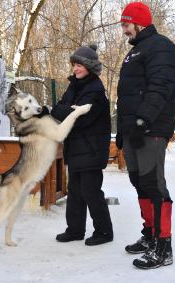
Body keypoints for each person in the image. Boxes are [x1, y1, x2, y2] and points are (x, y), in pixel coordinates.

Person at [116, 2, 175, 269]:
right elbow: (128, 96)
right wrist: (124, 130)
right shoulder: (136, 51)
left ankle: (163, 246)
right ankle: (150, 234)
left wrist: (144, 119)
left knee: (153, 184)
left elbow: (161, 86)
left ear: (139, 22)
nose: (123, 31)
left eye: (126, 24)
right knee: (138, 182)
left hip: (151, 128)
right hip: (133, 129)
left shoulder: (161, 47)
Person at [51, 45, 113, 246]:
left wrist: (67, 111)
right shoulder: (75, 86)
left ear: (89, 66)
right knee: (76, 191)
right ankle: (75, 230)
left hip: (91, 148)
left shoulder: (95, 89)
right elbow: (60, 108)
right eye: (74, 65)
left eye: (79, 65)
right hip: (76, 147)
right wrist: (68, 111)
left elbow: (80, 119)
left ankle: (104, 232)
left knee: (91, 191)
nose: (75, 69)